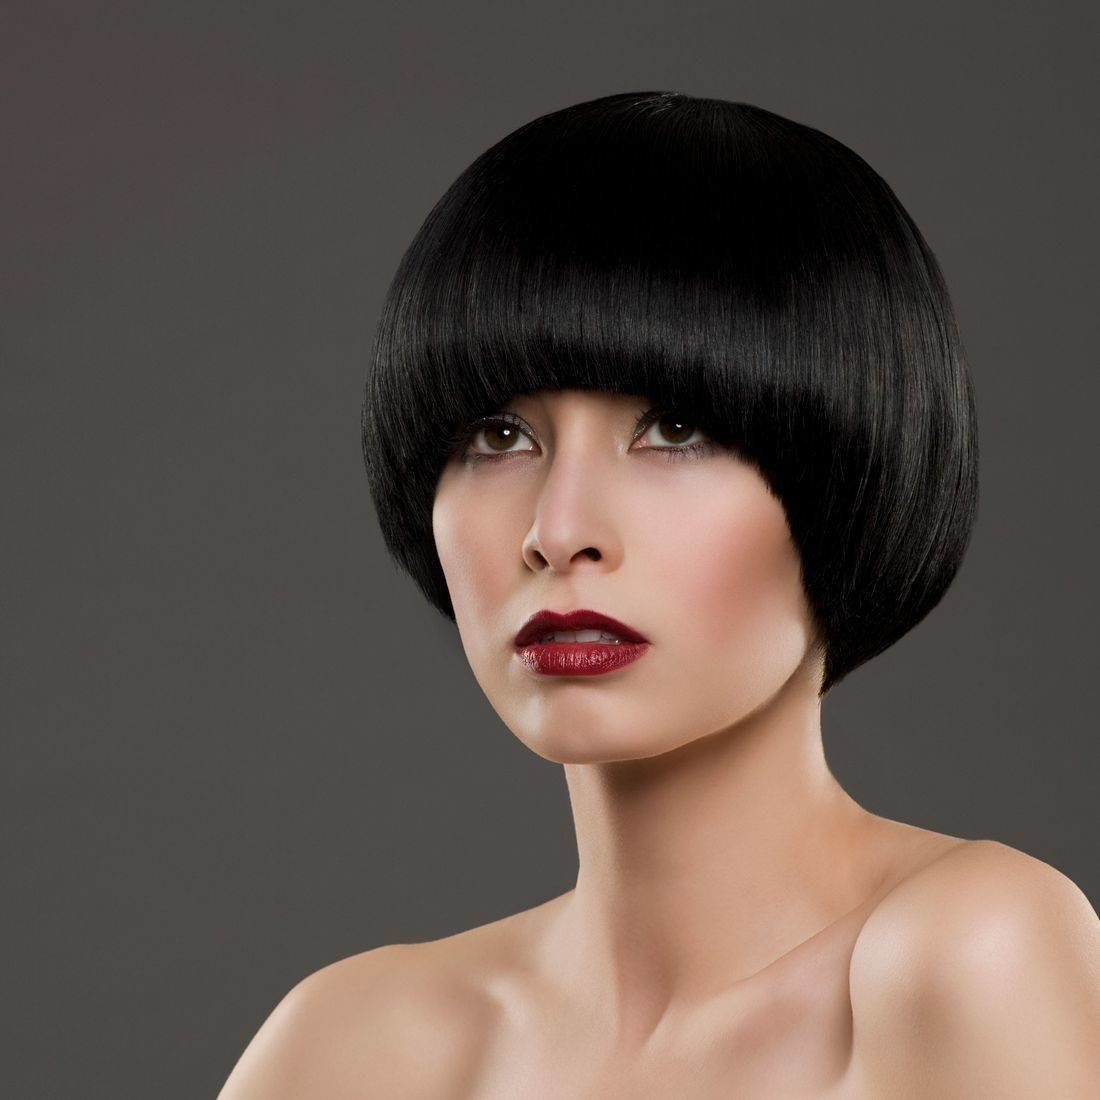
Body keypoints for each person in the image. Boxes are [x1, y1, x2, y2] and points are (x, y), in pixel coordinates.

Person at [219, 91, 1099, 1097]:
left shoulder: (968, 954)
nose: (557, 531)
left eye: (674, 428)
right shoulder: (354, 1044)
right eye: (500, 436)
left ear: (855, 471)